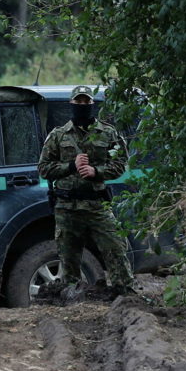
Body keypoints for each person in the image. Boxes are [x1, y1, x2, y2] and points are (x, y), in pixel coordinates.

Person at [37, 85, 135, 297]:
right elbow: (44, 168)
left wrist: (96, 171)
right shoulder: (58, 135)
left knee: (115, 247)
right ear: (71, 104)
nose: (82, 105)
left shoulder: (108, 133)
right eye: (78, 102)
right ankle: (72, 298)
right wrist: (71, 166)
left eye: (86, 102)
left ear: (92, 105)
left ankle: (125, 294)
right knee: (69, 257)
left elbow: (120, 164)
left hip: (96, 204)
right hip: (67, 207)